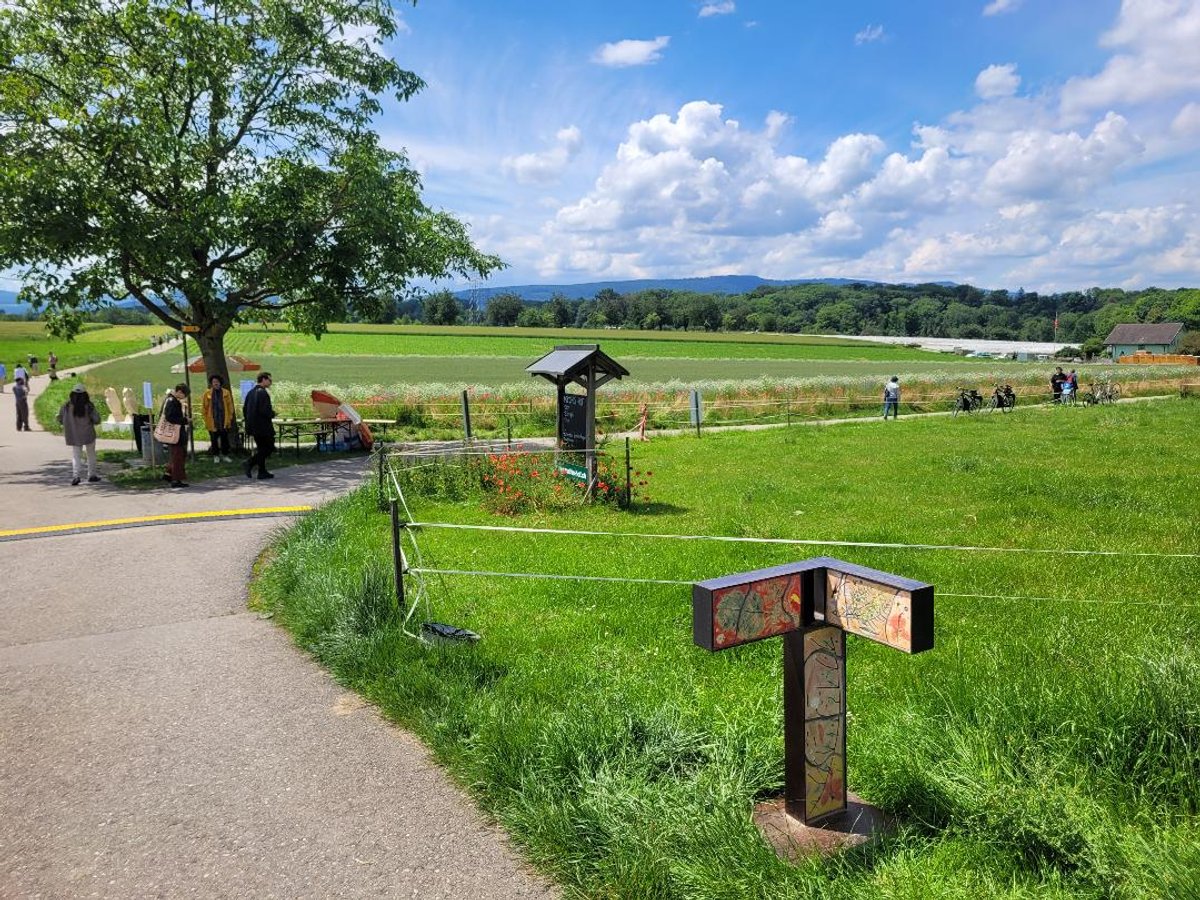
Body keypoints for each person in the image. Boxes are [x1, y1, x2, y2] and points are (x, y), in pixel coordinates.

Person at [57, 384, 102, 485]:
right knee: (91, 454)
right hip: (88, 434)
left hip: (74, 434)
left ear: (72, 394)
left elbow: (60, 418)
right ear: (85, 394)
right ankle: (92, 475)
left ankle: (76, 476)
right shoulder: (89, 406)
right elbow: (97, 419)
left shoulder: (66, 406)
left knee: (76, 456)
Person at [242, 371, 276, 480]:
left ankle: (262, 472)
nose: (271, 382)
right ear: (264, 379)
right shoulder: (263, 392)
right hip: (263, 426)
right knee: (269, 448)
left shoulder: (250, 392)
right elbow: (265, 410)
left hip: (253, 426)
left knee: (261, 448)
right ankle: (249, 462)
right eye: (270, 380)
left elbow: (244, 409)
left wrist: (249, 422)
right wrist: (273, 413)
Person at [201, 374, 235, 462]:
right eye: (214, 382)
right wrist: (206, 420)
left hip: (224, 420)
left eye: (217, 382)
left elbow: (230, 407)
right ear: (211, 384)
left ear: (220, 383)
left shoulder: (226, 392)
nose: (215, 383)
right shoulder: (207, 394)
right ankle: (215, 456)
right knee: (214, 440)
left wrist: (230, 418)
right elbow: (204, 408)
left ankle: (225, 455)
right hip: (212, 421)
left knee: (225, 439)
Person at [162, 383, 190, 488]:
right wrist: (185, 420)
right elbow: (170, 417)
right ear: (179, 392)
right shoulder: (172, 401)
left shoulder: (172, 400)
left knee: (178, 455)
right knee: (178, 456)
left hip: (176, 433)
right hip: (175, 433)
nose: (184, 397)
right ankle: (176, 480)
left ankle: (168, 474)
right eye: (184, 394)